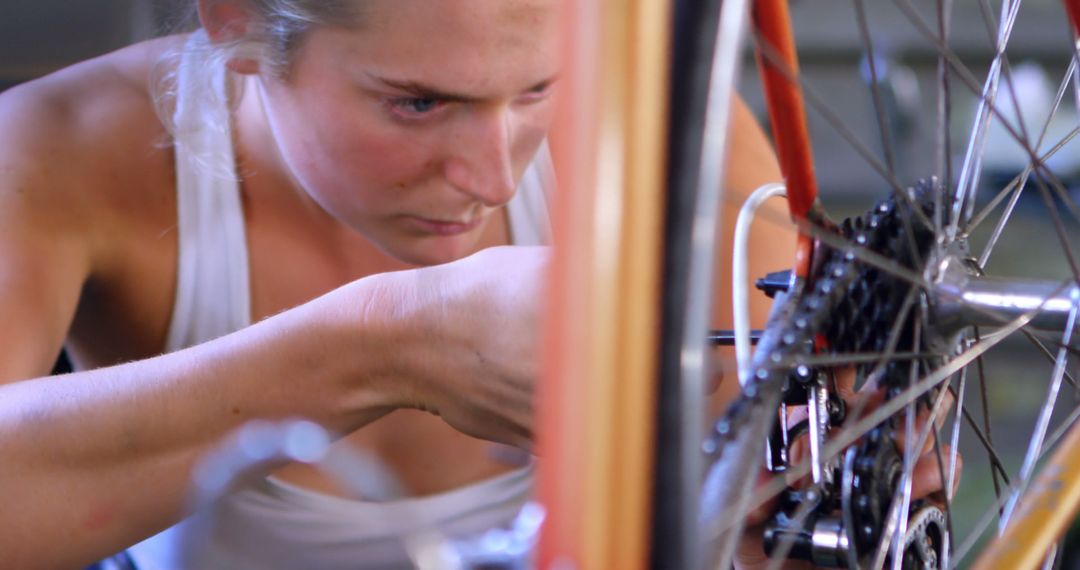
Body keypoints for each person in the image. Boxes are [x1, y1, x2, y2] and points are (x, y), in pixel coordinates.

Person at [0, 0, 872, 568]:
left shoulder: (651, 125)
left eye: (537, 89)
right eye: (418, 103)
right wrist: (386, 342)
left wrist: (864, 463)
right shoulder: (58, 150)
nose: (494, 179)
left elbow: (784, 500)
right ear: (235, 20)